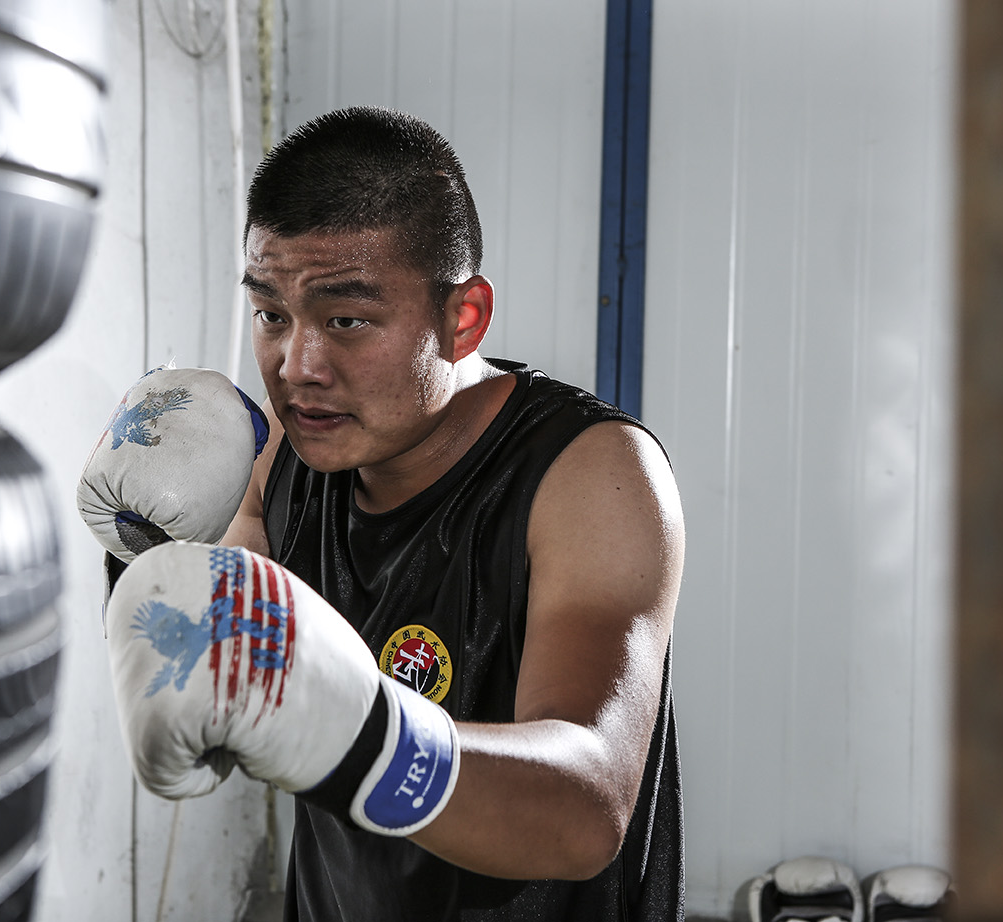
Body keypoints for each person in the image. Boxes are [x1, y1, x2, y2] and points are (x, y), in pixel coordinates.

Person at [220, 106, 686, 920]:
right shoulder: (276, 458)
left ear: (462, 319)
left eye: (346, 320)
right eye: (271, 315)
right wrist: (139, 550)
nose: (297, 366)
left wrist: (350, 735)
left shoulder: (590, 475)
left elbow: (586, 805)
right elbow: (212, 671)